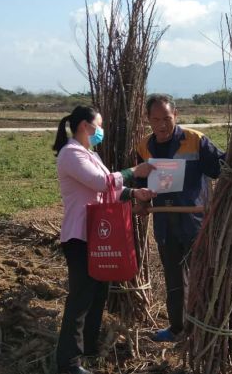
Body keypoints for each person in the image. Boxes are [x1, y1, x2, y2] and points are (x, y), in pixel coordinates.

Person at [53, 105, 156, 374]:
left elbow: (111, 190)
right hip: (79, 235)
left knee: (98, 294)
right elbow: (101, 183)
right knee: (80, 298)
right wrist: (135, 171)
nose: (101, 130)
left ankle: (88, 348)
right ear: (85, 126)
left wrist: (135, 193)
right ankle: (68, 363)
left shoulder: (90, 154)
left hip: (98, 235)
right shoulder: (71, 154)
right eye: (99, 125)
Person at [136, 94, 225, 342]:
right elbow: (141, 181)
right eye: (156, 119)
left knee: (202, 277)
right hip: (165, 223)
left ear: (176, 115)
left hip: (195, 222)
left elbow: (220, 168)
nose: (162, 124)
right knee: (174, 279)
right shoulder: (144, 147)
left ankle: (205, 330)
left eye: (166, 118)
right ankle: (177, 328)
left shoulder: (195, 141)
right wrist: (141, 203)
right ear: (148, 120)